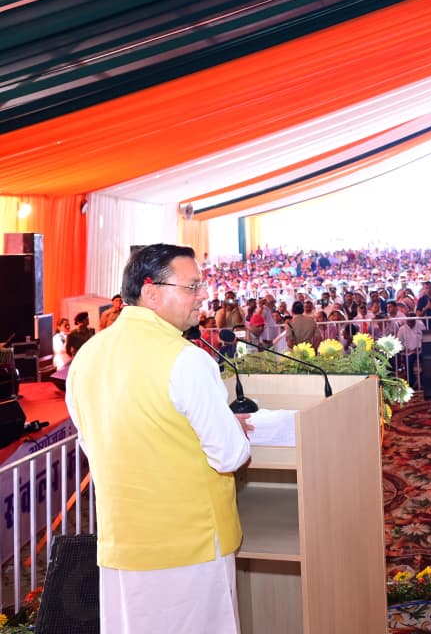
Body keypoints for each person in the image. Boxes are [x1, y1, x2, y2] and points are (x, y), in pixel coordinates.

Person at [65, 243, 252, 634]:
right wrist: (231, 427)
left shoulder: (86, 357)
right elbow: (229, 455)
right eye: (192, 286)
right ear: (151, 292)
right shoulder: (185, 358)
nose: (203, 295)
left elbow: (92, 443)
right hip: (191, 546)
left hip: (122, 543)